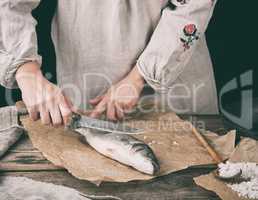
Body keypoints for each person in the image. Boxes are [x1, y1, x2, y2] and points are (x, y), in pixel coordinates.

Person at [0, 0, 219, 126]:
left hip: (174, 82)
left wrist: (137, 77)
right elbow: (10, 5)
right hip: (87, 85)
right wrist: (25, 70)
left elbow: (193, 5)